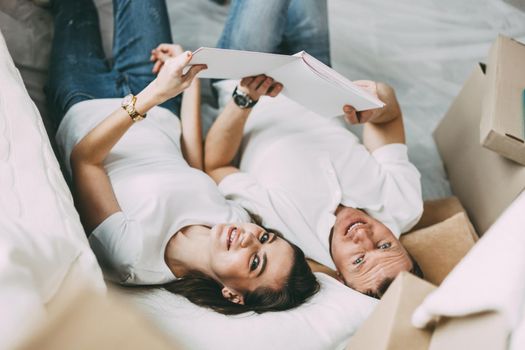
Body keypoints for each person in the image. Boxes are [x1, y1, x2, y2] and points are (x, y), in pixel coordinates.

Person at [46, 0, 318, 315]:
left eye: (256, 262)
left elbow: (86, 160)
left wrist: (156, 94)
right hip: (160, 107)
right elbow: (191, 164)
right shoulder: (234, 221)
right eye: (265, 237)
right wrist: (186, 85)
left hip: (88, 104)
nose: (248, 238)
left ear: (233, 295)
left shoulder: (132, 257)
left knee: (74, 9)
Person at [204, 0, 424, 298]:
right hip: (317, 74)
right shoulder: (403, 205)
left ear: (341, 278)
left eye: (359, 259)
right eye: (385, 245)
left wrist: (245, 96)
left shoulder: (286, 238)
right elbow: (390, 115)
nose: (362, 235)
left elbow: (216, 164)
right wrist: (376, 99)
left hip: (245, 76)